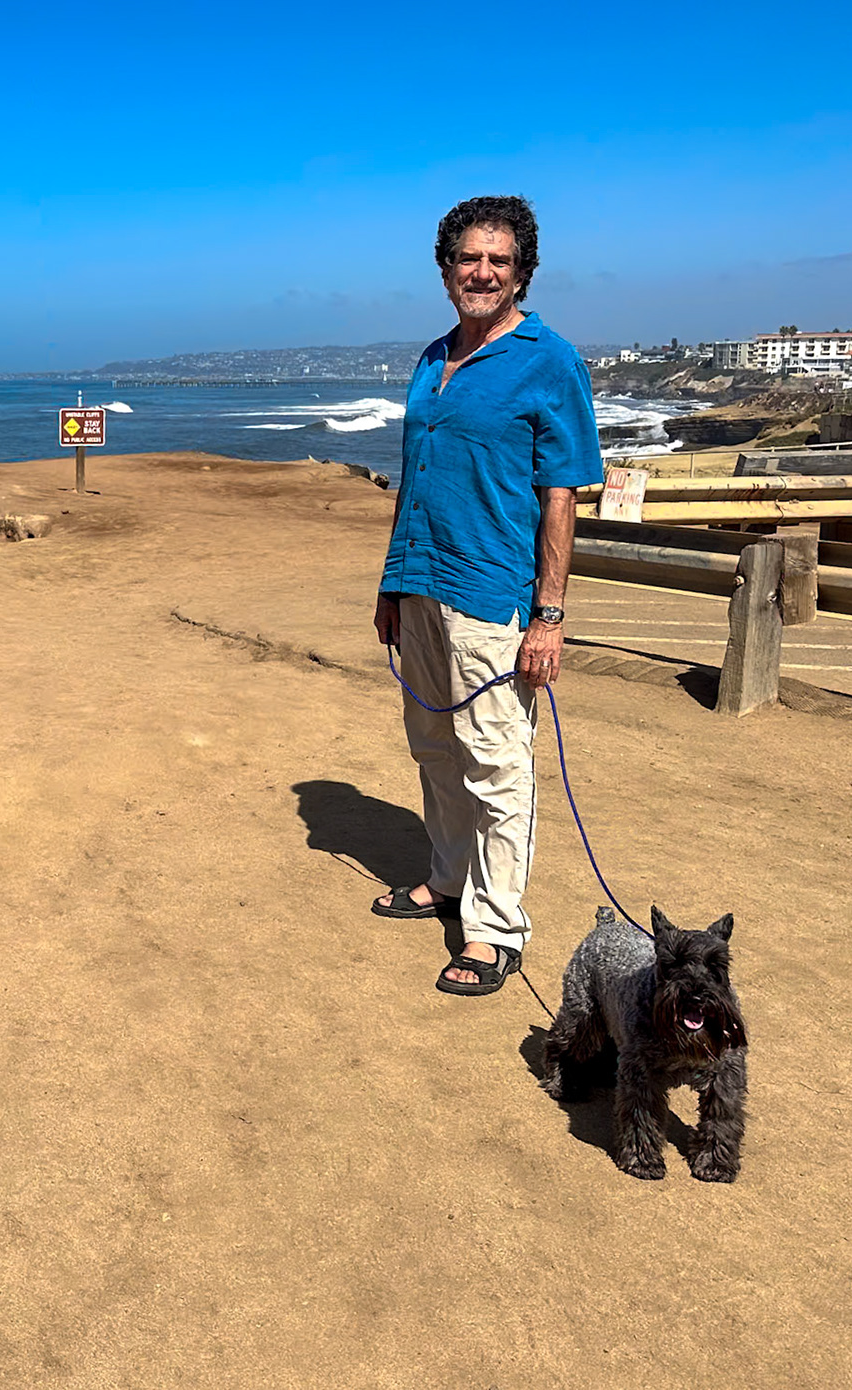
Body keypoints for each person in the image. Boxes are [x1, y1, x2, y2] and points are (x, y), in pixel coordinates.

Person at [369, 195, 601, 997]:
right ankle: (445, 876)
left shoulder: (550, 359)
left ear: (522, 272)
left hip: (491, 596)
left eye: (499, 261)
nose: (482, 272)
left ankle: (496, 928)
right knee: (435, 748)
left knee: (498, 765)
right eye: (469, 258)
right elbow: (416, 476)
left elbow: (563, 492)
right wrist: (390, 582)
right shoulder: (432, 358)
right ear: (445, 270)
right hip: (421, 584)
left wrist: (550, 615)